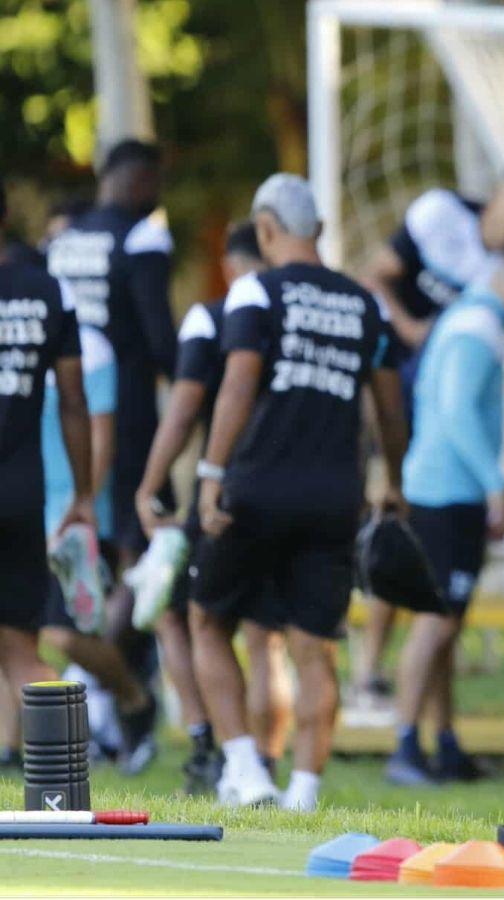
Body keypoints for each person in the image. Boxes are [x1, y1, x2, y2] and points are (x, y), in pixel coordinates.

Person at [190, 174, 406, 810]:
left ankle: (246, 771)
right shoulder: (367, 304)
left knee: (208, 619)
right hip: (336, 496)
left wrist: (210, 472)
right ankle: (304, 790)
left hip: (257, 485)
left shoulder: (256, 289)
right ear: (320, 230)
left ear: (265, 229)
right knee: (315, 647)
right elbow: (390, 406)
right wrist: (394, 481)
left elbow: (238, 382)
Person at [356, 163, 504, 706]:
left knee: (433, 589)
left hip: (438, 427)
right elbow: (374, 276)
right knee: (408, 552)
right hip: (400, 390)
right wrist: (412, 329)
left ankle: (425, 720)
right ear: (496, 195)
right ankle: (373, 681)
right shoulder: (442, 219)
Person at [385, 237, 504, 786]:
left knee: (445, 623)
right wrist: (495, 487)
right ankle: (405, 746)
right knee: (436, 621)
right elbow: (457, 411)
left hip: (437, 486)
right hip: (449, 493)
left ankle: (444, 742)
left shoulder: (466, 317)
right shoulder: (478, 328)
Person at [134, 222, 291, 794]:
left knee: (184, 617)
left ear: (230, 264)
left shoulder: (211, 316)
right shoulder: (300, 315)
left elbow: (182, 411)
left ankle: (211, 751)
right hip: (290, 493)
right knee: (266, 640)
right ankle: (265, 766)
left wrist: (150, 485)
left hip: (226, 494)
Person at [47, 139, 176, 566]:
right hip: (127, 407)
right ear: (141, 179)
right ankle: (131, 606)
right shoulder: (142, 236)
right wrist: (189, 385)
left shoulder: (63, 241)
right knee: (142, 527)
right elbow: (159, 334)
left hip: (64, 404)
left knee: (79, 518)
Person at [40, 321, 158, 770]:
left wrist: (84, 501)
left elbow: (100, 432)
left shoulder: (89, 346)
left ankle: (134, 698)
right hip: (24, 508)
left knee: (65, 633)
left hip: (73, 517)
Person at [0, 182, 94, 711]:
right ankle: (62, 760)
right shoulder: (50, 292)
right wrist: (83, 494)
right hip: (21, 494)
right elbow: (74, 400)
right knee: (21, 652)